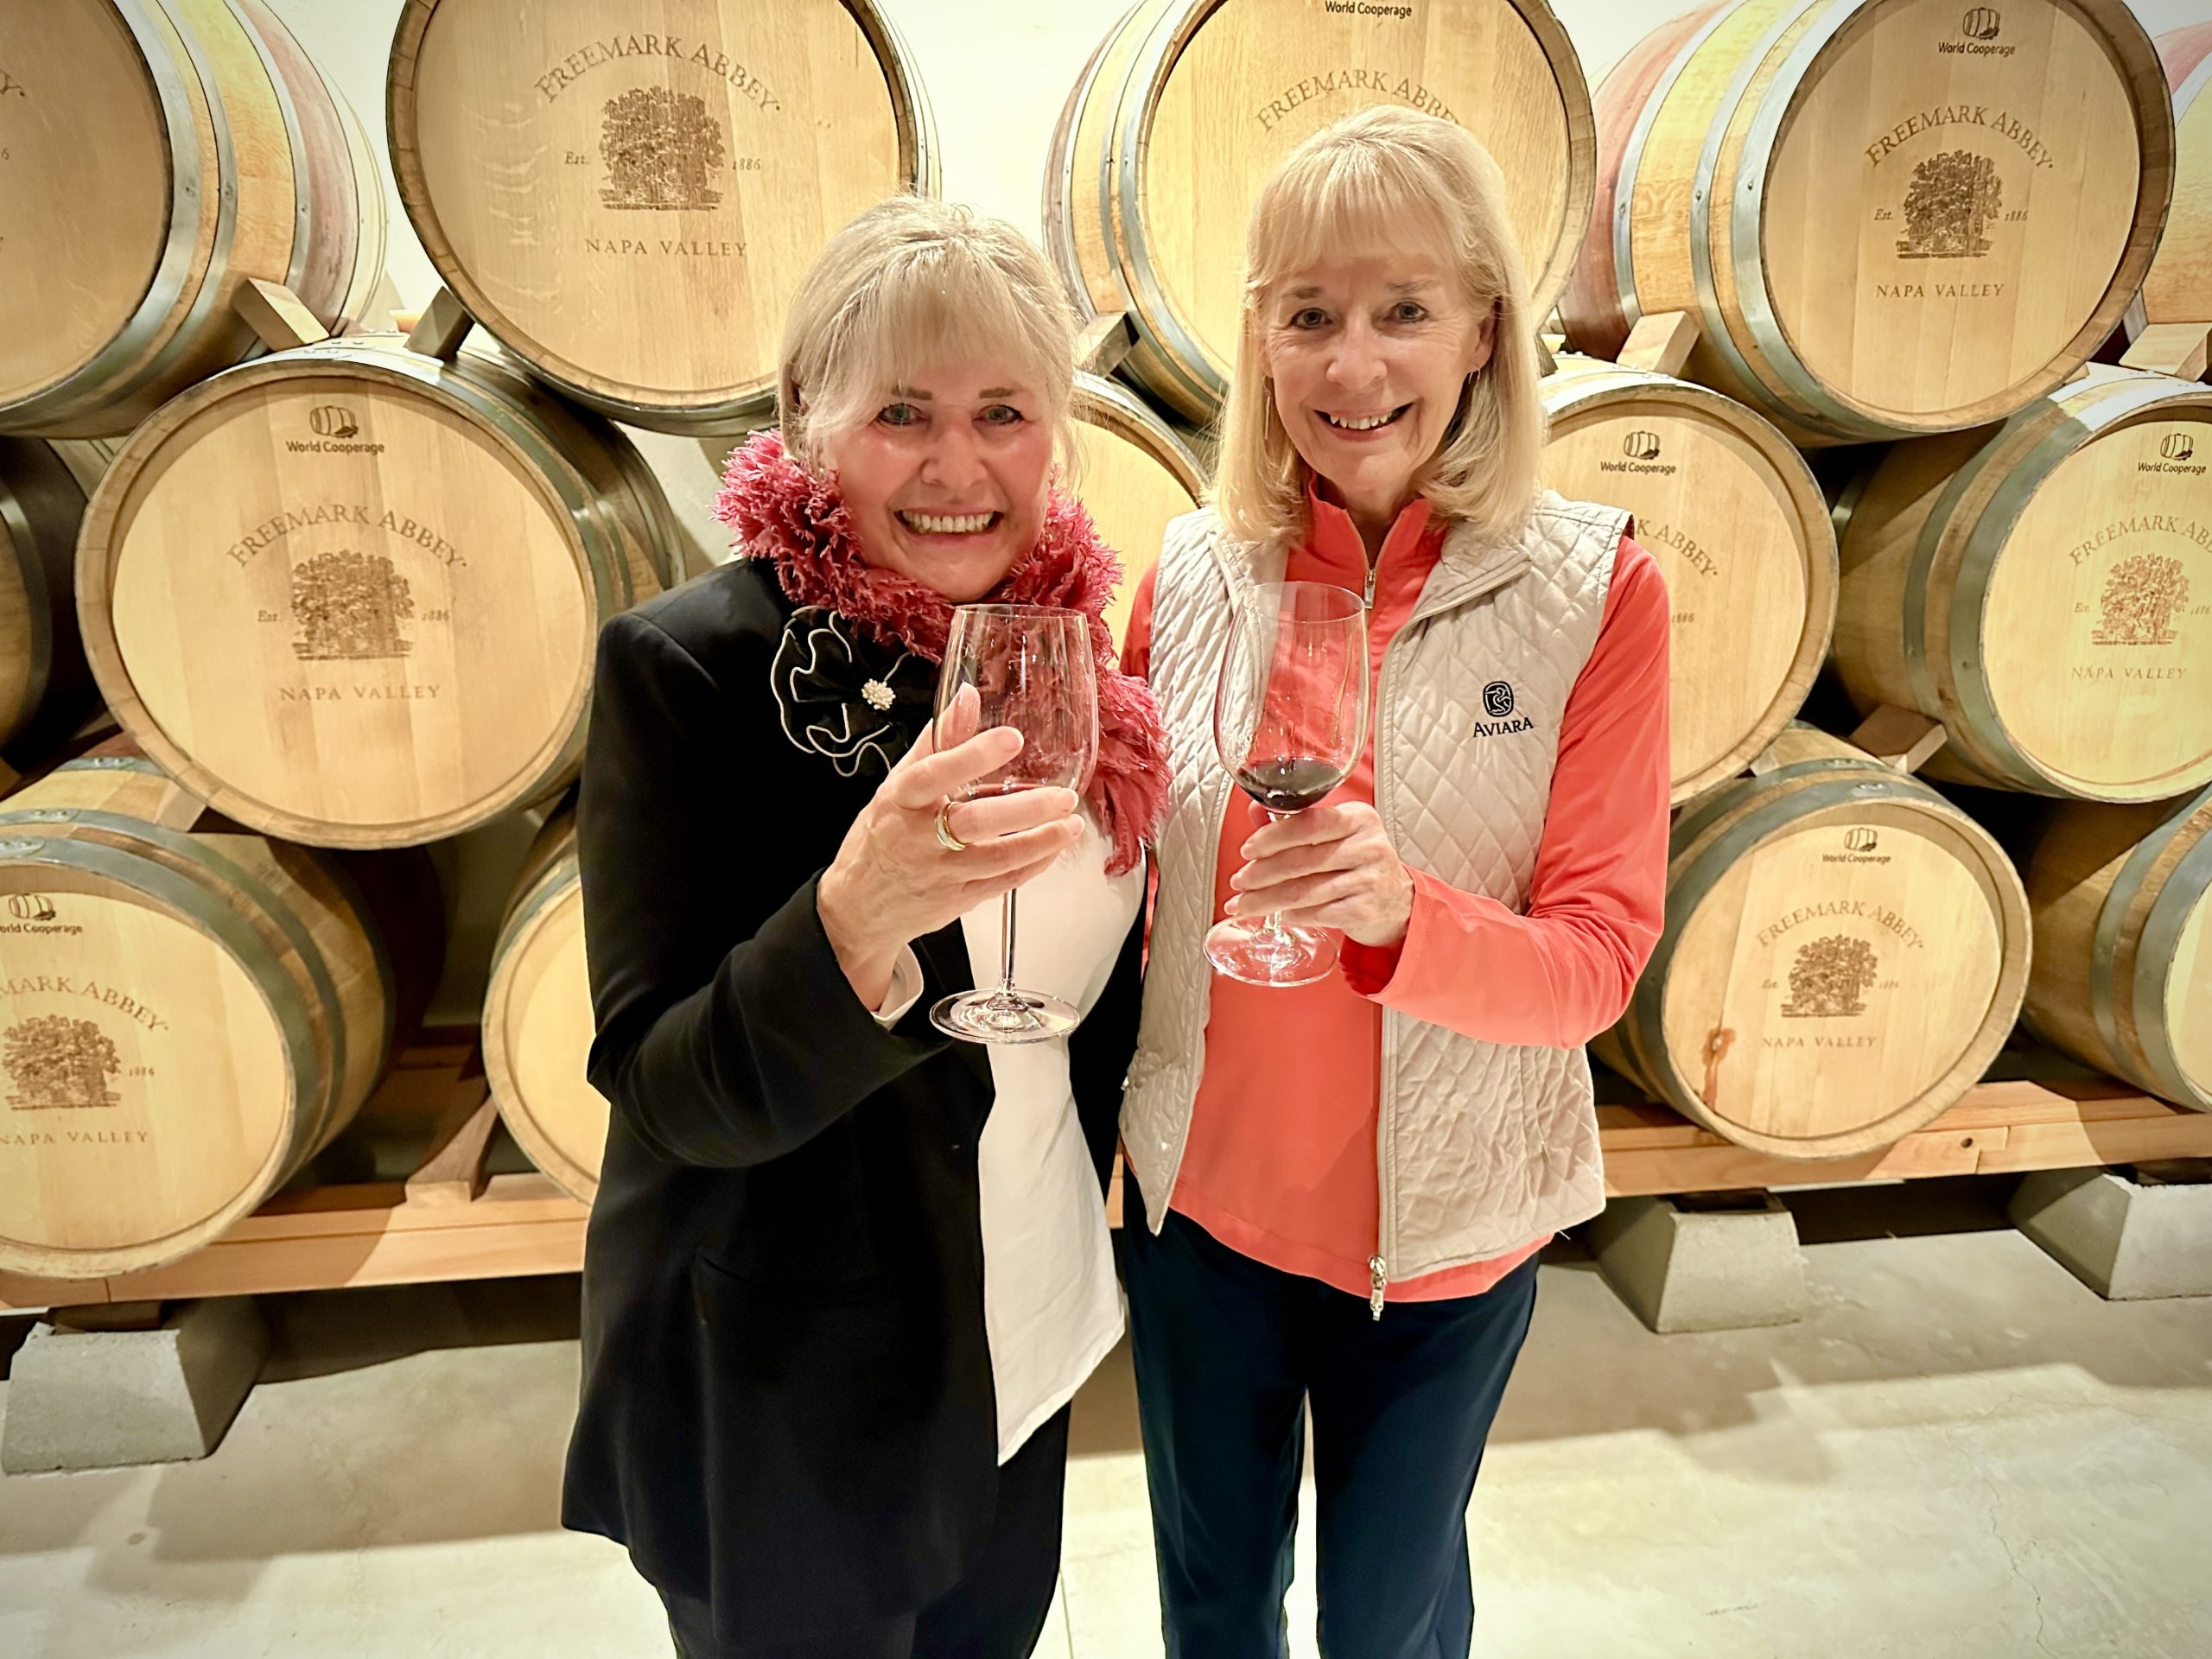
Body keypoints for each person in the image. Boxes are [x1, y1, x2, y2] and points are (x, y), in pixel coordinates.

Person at [562, 196, 1166, 1658]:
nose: (960, 467)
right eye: (902, 411)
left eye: (1003, 412)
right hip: (786, 1383)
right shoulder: (690, 669)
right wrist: (849, 919)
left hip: (1018, 1325)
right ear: (805, 417)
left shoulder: (1073, 657)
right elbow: (662, 1084)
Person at [1117, 105, 1672, 1657]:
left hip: (1445, 1235)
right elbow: (1136, 882)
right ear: (1264, 342)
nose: (1354, 367)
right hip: (1200, 1220)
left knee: (1389, 1623)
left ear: (1484, 327)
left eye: (1404, 311)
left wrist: (1403, 920)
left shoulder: (1597, 588)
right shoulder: (1192, 570)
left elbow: (1598, 958)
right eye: (1311, 316)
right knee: (1216, 1610)